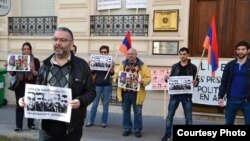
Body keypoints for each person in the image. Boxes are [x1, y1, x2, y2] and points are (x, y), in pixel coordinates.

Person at [18, 27, 96, 141]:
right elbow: (37, 91)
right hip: (46, 128)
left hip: (71, 128)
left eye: (63, 40)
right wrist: (26, 99)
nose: (58, 43)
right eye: (55, 39)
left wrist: (81, 101)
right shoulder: (45, 66)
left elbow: (91, 91)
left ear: (71, 43)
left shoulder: (82, 66)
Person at [161, 47, 199, 141]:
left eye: (184, 54)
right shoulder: (175, 66)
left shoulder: (193, 67)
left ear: (188, 55)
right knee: (169, 116)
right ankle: (167, 134)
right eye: (181, 54)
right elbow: (171, 80)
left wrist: (195, 83)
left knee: (188, 117)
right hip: (175, 96)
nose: (182, 56)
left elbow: (197, 81)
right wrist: (166, 78)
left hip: (187, 96)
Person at [113, 48, 151, 138]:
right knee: (126, 111)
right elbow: (115, 75)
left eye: (132, 54)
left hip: (137, 94)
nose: (130, 55)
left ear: (136, 54)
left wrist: (143, 81)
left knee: (138, 112)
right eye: (129, 54)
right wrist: (117, 78)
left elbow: (149, 78)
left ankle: (137, 130)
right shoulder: (122, 64)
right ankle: (127, 128)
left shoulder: (142, 65)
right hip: (125, 93)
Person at [6, 42, 40, 132]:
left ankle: (31, 124)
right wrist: (8, 67)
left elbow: (37, 74)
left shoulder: (35, 60)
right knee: (19, 106)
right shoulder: (18, 60)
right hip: (20, 86)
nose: (26, 51)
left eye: (28, 49)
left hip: (31, 87)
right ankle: (18, 126)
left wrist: (31, 68)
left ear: (30, 50)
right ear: (22, 50)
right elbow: (12, 73)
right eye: (24, 49)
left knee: (31, 106)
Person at [218, 40, 250, 125]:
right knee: (228, 123)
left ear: (248, 50)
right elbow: (224, 81)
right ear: (236, 51)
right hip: (232, 100)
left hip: (247, 101)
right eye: (238, 49)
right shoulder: (230, 65)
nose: (240, 51)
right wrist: (220, 96)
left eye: (243, 49)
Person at [86, 45, 115, 128]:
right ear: (100, 52)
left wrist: (112, 66)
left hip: (107, 85)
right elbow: (91, 72)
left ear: (107, 53)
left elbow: (112, 73)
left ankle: (104, 122)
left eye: (105, 52)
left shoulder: (110, 62)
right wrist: (89, 65)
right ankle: (90, 121)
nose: (103, 53)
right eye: (102, 52)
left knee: (105, 105)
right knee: (94, 104)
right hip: (97, 85)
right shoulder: (96, 60)